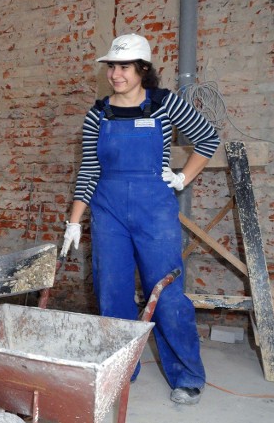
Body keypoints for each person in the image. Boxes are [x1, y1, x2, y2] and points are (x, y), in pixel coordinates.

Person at [60, 33, 220, 405]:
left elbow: (208, 138)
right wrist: (74, 221)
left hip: (155, 212)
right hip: (109, 212)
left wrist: (183, 177)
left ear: (142, 70)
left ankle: (187, 376)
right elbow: (88, 170)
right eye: (111, 66)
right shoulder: (97, 113)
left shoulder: (165, 105)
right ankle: (120, 369)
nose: (116, 74)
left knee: (165, 294)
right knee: (111, 292)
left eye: (124, 67)